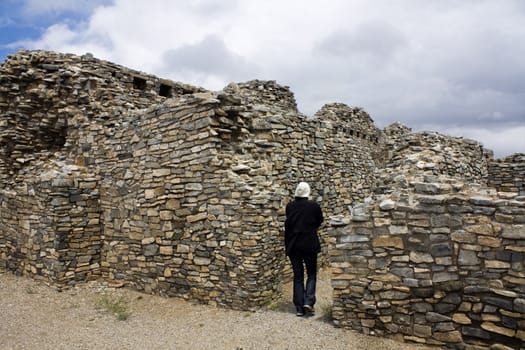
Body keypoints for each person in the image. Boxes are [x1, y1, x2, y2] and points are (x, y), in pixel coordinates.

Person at [284, 181, 324, 316]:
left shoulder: (290, 206)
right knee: (311, 273)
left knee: (298, 275)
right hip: (309, 244)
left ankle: (299, 307)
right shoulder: (314, 206)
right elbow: (319, 221)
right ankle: (309, 301)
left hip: (293, 245)